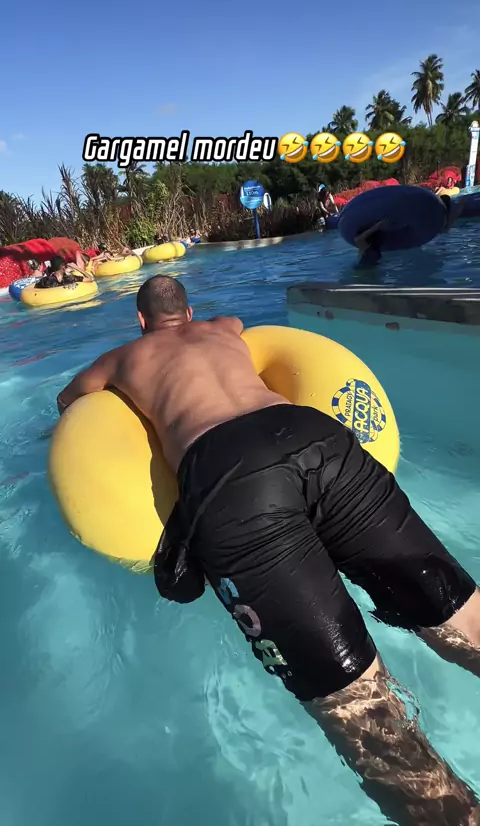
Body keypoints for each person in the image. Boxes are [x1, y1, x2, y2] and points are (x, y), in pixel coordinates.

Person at [56, 276, 480, 826]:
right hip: (315, 435)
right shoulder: (224, 327)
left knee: (358, 706)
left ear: (140, 321)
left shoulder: (122, 358)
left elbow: (69, 399)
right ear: (190, 311)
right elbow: (244, 330)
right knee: (460, 615)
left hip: (227, 474)